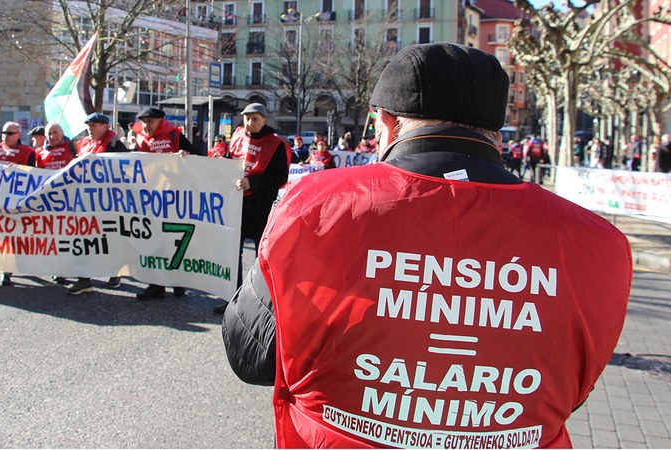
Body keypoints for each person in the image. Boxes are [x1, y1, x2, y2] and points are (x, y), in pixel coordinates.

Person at [221, 43, 632, 448]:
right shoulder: (599, 243)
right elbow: (566, 394)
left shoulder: (314, 207)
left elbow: (250, 356)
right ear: (496, 132)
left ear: (384, 122)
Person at [212, 103, 290, 314]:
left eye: (255, 118)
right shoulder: (237, 137)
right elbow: (228, 164)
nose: (250, 122)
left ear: (264, 120)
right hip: (235, 204)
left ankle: (259, 302)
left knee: (260, 256)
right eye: (247, 118)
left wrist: (253, 183)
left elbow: (280, 177)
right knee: (231, 254)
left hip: (260, 207)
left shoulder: (276, 145)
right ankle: (233, 298)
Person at [131, 107, 198, 299]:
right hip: (151, 197)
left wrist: (187, 154)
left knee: (173, 239)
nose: (146, 125)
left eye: (150, 121)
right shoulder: (140, 139)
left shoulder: (174, 135)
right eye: (143, 121)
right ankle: (156, 285)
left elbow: (198, 155)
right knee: (153, 240)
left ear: (161, 121)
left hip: (174, 196)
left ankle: (178, 282)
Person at [66, 113, 129, 295]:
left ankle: (115, 272)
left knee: (108, 238)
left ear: (104, 126)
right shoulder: (84, 143)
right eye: (88, 125)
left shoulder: (115, 144)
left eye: (93, 125)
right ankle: (84, 279)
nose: (89, 128)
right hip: (86, 201)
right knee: (84, 238)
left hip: (107, 202)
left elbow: (128, 167)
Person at [0, 122, 37, 286]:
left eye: (9, 133)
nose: (5, 136)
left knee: (14, 234)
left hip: (16, 200)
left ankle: (13, 265)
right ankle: (5, 268)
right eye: (3, 132)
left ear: (18, 135)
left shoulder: (27, 152)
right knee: (1, 234)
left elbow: (33, 174)